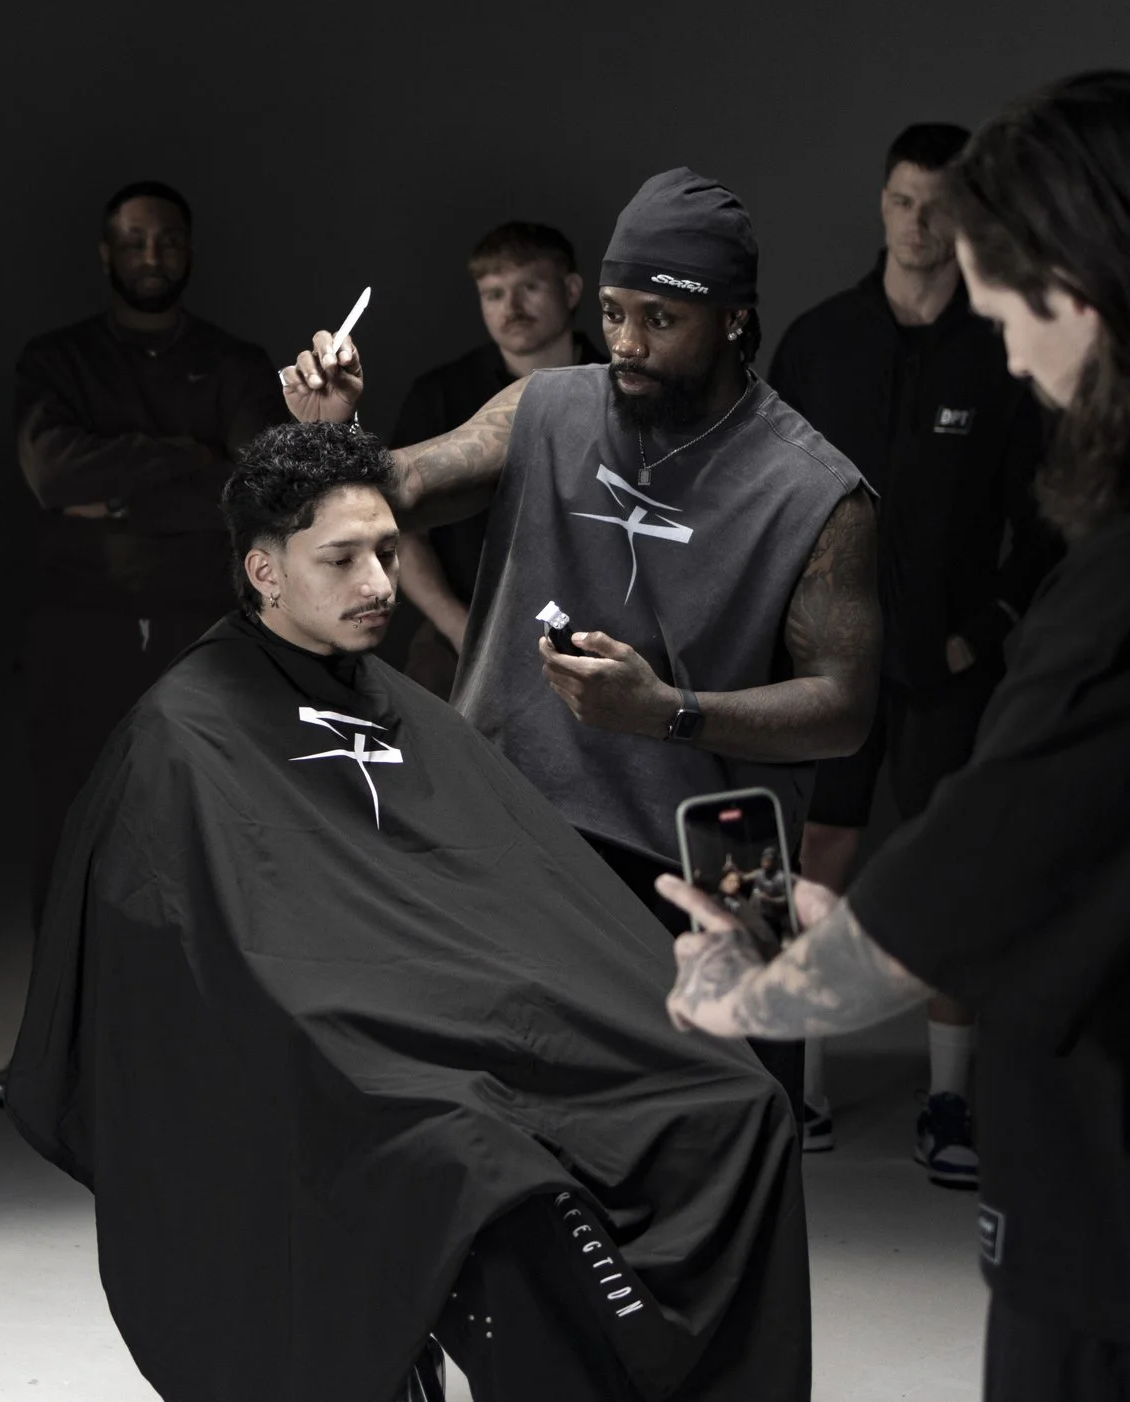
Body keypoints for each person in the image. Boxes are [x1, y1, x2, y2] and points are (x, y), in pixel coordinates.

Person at [9, 420, 811, 1402]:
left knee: (734, 1100)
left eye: (387, 552)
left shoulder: (403, 706)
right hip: (334, 1055)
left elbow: (508, 885)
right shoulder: (184, 732)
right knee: (478, 1161)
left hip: (470, 1015)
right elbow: (206, 952)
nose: (379, 583)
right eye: (339, 559)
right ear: (263, 572)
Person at [661, 71, 1127, 1402]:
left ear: (1079, 282)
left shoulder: (1110, 587)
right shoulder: (823, 343)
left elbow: (956, 892)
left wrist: (739, 993)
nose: (986, 310)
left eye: (1000, 273)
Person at [283, 168, 884, 1127]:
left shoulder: (819, 492)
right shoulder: (548, 408)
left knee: (726, 1149)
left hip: (717, 859)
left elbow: (846, 710)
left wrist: (669, 714)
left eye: (660, 319)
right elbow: (401, 486)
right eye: (612, 313)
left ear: (733, 319)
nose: (628, 345)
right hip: (520, 824)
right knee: (510, 1146)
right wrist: (337, 430)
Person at [766, 121, 1063, 1174]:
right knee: (819, 861)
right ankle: (796, 1090)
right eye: (902, 200)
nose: (918, 222)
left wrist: (981, 631)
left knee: (952, 873)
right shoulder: (817, 341)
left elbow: (1047, 517)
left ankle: (948, 1103)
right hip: (827, 663)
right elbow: (759, 500)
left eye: (938, 204)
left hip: (947, 667)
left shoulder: (1001, 351)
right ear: (880, 203)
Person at [0, 180, 286, 1107]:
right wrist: (192, 465)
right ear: (105, 252)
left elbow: (255, 488)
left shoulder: (235, 362)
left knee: (205, 833)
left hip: (206, 625)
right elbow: (51, 474)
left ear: (189, 251)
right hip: (80, 622)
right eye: (133, 240)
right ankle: (60, 1059)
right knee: (73, 835)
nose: (150, 256)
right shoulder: (57, 359)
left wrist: (119, 482)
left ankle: (199, 1052)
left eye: (166, 241)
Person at [390, 221, 608, 697]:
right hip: (462, 626)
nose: (511, 308)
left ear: (571, 290)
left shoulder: (620, 385)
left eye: (529, 287)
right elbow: (404, 533)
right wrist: (460, 628)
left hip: (597, 628)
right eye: (493, 294)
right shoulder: (440, 394)